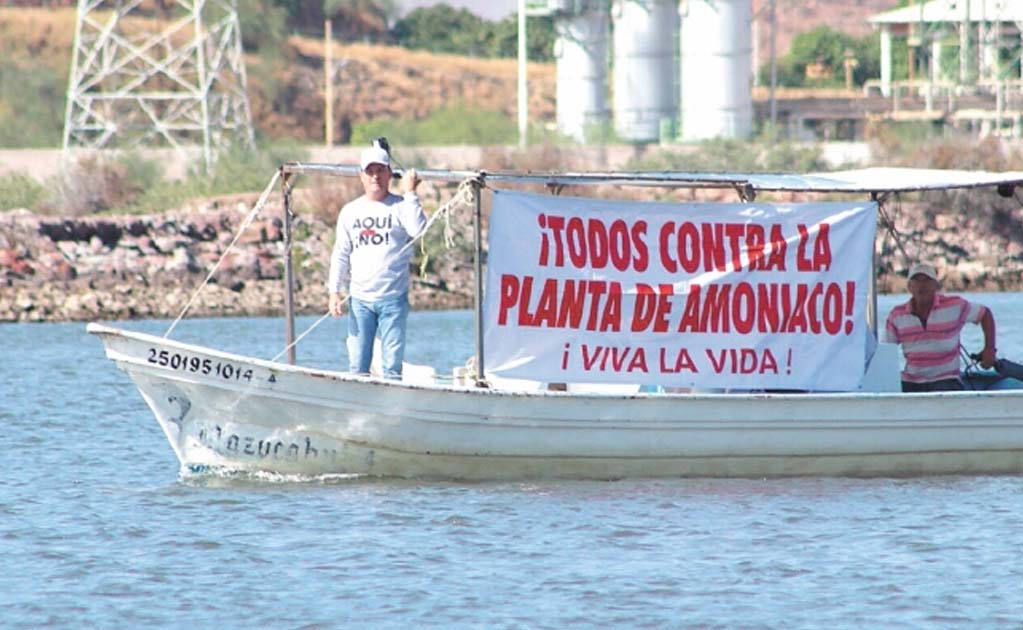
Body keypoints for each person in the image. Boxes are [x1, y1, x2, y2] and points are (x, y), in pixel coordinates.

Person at [327, 143, 425, 378]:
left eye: (380, 170)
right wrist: (334, 291)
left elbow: (418, 230)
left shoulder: (401, 206)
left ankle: (391, 407)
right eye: (370, 171)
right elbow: (341, 253)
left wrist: (411, 193)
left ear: (389, 173)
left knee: (392, 365)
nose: (375, 177)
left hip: (393, 299)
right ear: (361, 175)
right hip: (360, 299)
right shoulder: (350, 211)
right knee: (358, 365)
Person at [883, 262, 997, 392]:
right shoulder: (897, 315)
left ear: (935, 285)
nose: (922, 285)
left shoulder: (954, 305)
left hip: (946, 379)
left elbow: (985, 314)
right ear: (910, 287)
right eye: (916, 280)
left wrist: (989, 349)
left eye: (927, 280)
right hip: (911, 381)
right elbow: (886, 350)